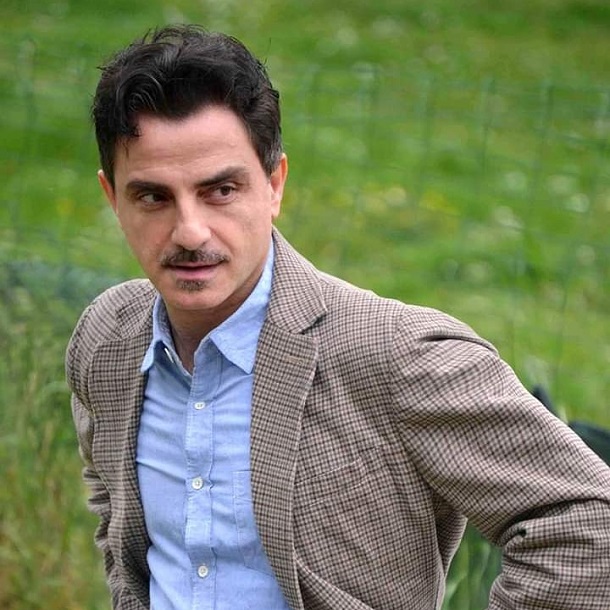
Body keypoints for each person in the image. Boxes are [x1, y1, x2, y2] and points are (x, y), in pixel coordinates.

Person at [66, 24, 610, 610]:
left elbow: (589, 524)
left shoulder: (398, 356)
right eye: (153, 196)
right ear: (112, 198)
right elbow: (117, 515)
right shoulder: (108, 339)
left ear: (274, 185)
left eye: (220, 190)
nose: (190, 232)